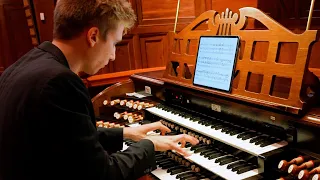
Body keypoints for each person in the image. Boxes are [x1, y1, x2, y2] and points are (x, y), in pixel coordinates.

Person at [0, 0, 199, 180]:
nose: (113, 55)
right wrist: (150, 145)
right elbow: (103, 174)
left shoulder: (27, 65)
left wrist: (128, 133)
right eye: (114, 43)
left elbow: (70, 139)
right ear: (93, 36)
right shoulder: (60, 82)